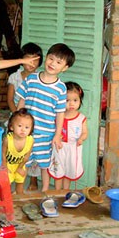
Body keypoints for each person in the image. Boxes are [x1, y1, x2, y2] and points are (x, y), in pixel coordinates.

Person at [16, 43, 76, 192]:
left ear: (65, 68)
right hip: (27, 131)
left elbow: (60, 113)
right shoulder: (31, 79)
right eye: (51, 58)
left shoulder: (61, 88)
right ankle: (19, 190)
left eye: (58, 62)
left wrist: (57, 135)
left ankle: (44, 190)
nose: (52, 64)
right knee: (23, 161)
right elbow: (22, 99)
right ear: (46, 58)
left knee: (45, 164)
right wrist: (17, 120)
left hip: (46, 134)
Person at [48, 81, 88, 190]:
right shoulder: (58, 116)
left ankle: (65, 192)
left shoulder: (81, 118)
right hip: (59, 148)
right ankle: (57, 192)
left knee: (69, 171)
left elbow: (85, 132)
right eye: (67, 100)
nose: (71, 104)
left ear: (80, 101)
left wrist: (81, 138)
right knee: (58, 170)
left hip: (73, 148)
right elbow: (54, 130)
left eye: (75, 100)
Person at [2, 108, 35, 194]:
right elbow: (2, 154)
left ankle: (20, 200)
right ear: (11, 127)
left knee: (20, 184)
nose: (23, 129)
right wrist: (4, 167)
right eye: (19, 126)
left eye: (27, 127)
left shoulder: (30, 140)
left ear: (31, 129)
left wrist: (20, 167)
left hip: (20, 164)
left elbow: (26, 157)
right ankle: (8, 199)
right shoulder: (7, 140)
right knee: (6, 185)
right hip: (8, 165)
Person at [7, 42, 43, 113]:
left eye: (35, 60)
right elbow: (10, 100)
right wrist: (16, 114)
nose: (31, 63)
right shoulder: (14, 77)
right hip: (17, 112)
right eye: (28, 59)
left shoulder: (41, 78)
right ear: (21, 60)